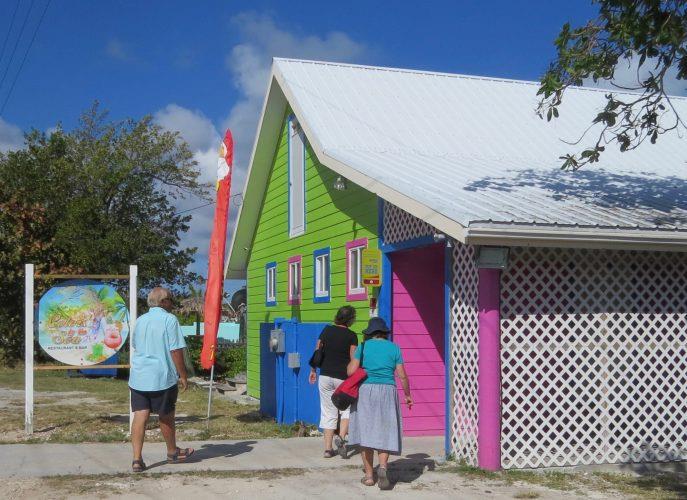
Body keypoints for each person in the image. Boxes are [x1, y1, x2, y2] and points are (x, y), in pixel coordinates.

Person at [128, 287, 194, 472]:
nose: (172, 303)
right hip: (161, 376)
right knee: (165, 416)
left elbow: (135, 344)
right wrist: (183, 375)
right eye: (170, 300)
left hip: (139, 376)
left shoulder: (140, 321)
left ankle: (136, 459)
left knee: (140, 415)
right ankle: (172, 452)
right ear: (163, 302)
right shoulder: (169, 319)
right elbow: (175, 350)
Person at [347, 317, 412, 490]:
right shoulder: (394, 348)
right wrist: (407, 395)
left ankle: (369, 476)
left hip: (366, 391)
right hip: (388, 391)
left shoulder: (364, 346)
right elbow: (402, 375)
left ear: (370, 333)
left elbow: (351, 371)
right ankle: (383, 467)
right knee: (385, 430)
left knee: (365, 432)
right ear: (384, 333)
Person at [309, 305, 358, 458]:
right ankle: (342, 439)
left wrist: (312, 371)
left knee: (328, 411)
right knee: (346, 410)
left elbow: (318, 351)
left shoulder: (326, 330)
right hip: (343, 378)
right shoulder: (352, 336)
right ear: (350, 319)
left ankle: (328, 450)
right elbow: (353, 358)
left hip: (325, 376)